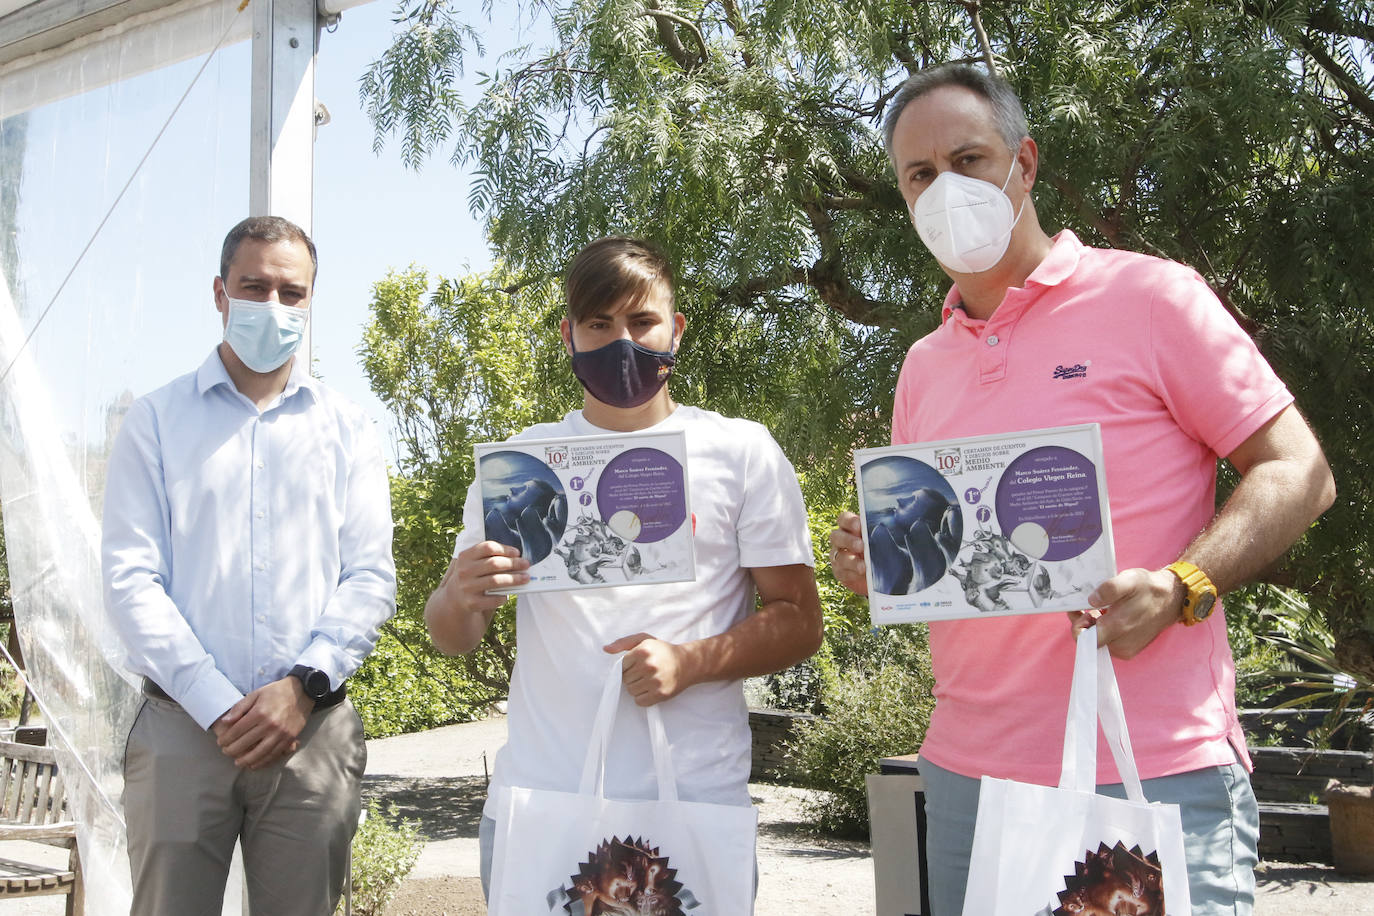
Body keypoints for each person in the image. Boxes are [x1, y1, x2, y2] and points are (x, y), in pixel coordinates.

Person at [828, 64, 1335, 916]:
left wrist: (1183, 587)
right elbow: (952, 565)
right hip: (965, 779)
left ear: (1023, 165)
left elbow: (1300, 472)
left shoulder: (1152, 297)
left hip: (1153, 770)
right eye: (920, 175)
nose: (945, 188)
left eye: (969, 159)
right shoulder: (922, 367)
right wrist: (880, 565)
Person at [424, 236, 824, 896]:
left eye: (642, 322)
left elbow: (801, 622)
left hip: (693, 803)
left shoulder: (741, 452)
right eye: (599, 324)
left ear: (677, 330)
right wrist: (460, 596)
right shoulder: (521, 469)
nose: (623, 343)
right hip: (542, 800)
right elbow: (451, 635)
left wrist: (692, 661)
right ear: (569, 336)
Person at [102, 216, 396, 915]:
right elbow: (130, 578)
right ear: (219, 292)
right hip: (181, 730)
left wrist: (300, 688)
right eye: (253, 285)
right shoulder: (156, 422)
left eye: (291, 292)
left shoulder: (348, 428)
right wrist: (214, 703)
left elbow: (369, 576)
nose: (273, 305)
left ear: (311, 300)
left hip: (310, 733)